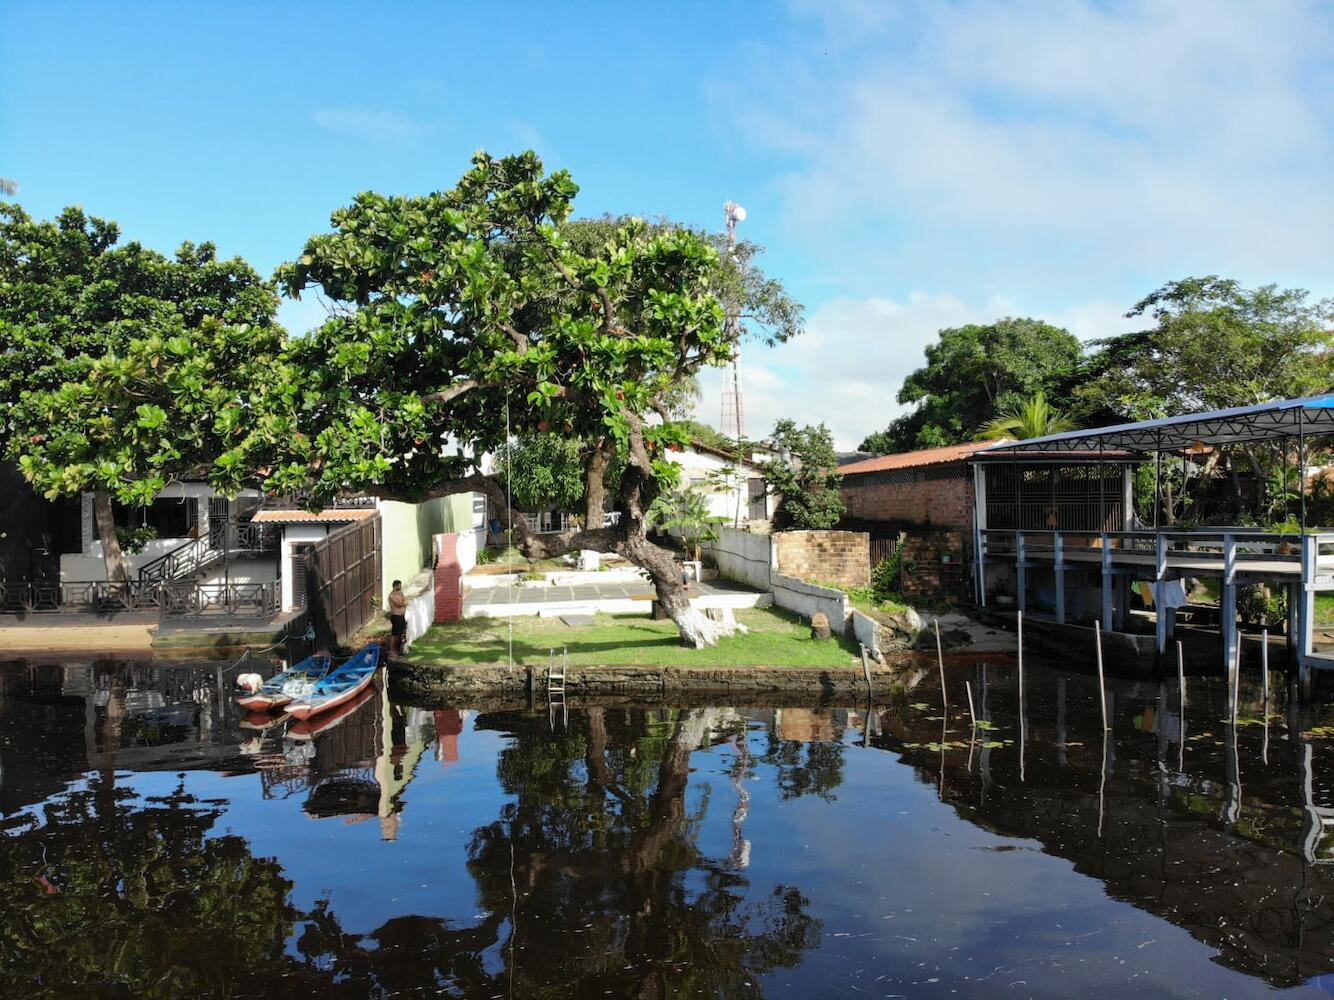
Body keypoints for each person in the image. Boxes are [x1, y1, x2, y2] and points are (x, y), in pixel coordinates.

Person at [387, 580, 408, 655]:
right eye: (399, 585)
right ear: (396, 586)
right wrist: (404, 602)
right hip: (396, 616)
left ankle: (397, 648)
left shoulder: (400, 593)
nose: (401, 587)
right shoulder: (392, 595)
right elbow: (399, 604)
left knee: (399, 634)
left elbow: (405, 600)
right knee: (395, 634)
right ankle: (392, 650)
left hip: (402, 616)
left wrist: (404, 601)